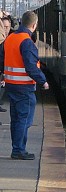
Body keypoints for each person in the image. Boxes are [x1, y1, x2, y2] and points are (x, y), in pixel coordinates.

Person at [3, 11, 49, 160]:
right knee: (24, 119)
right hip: (24, 87)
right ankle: (18, 150)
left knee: (16, 119)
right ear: (34, 25)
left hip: (11, 85)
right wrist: (43, 81)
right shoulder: (26, 41)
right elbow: (31, 67)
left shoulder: (10, 38)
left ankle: (16, 148)